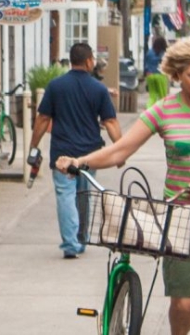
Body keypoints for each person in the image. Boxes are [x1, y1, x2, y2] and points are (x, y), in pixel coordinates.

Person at [56, 38, 190, 335]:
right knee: (184, 304)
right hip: (180, 215)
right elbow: (121, 150)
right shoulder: (164, 110)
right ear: (177, 75)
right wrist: (81, 161)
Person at [28, 43, 122, 259]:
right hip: (89, 155)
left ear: (72, 61)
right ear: (89, 61)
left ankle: (70, 243)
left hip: (62, 154)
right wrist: (120, 153)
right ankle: (80, 240)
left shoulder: (55, 86)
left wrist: (34, 145)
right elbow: (110, 122)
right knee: (83, 195)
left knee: (65, 195)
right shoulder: (98, 89)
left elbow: (43, 118)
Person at [146, 35, 169, 106]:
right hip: (160, 75)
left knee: (152, 96)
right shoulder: (164, 53)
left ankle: (148, 110)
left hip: (150, 75)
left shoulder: (149, 52)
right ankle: (163, 112)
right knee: (163, 96)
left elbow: (146, 64)